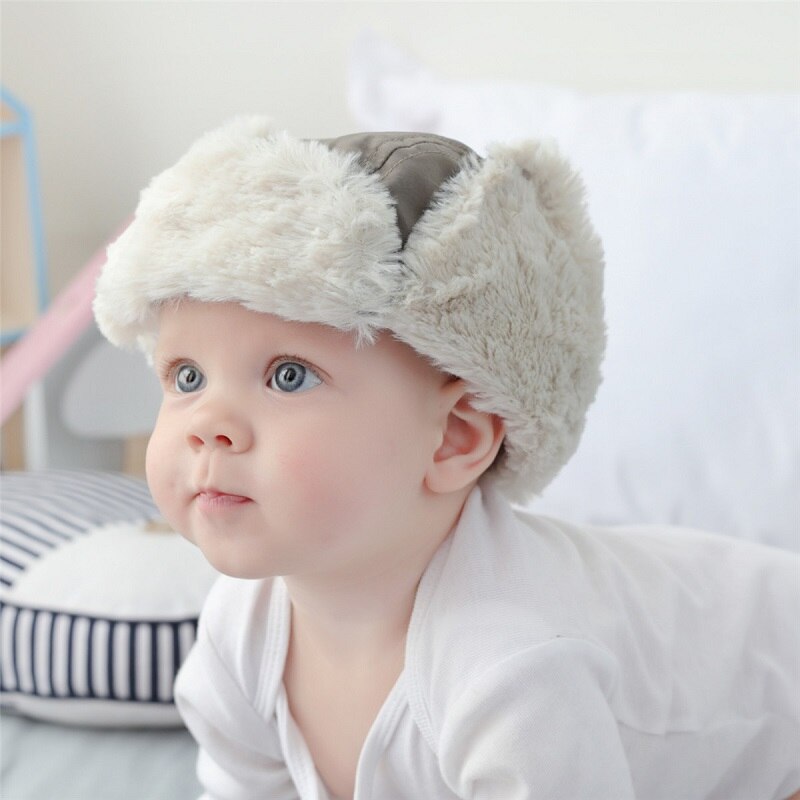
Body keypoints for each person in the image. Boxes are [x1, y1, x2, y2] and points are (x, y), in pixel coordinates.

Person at [93, 117, 800, 800]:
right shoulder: (239, 630)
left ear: (455, 438)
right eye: (187, 376)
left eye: (288, 375)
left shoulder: (513, 667)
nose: (208, 424)